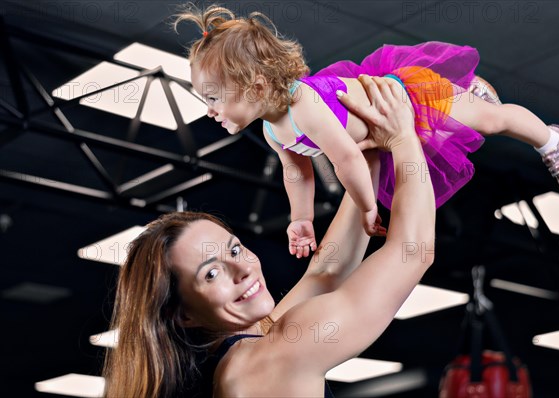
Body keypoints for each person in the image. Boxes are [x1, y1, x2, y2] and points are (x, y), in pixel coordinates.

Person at [102, 74, 435, 397]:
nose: (243, 269)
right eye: (212, 273)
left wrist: (368, 155)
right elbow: (413, 251)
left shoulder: (243, 356)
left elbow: (326, 274)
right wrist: (402, 138)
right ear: (184, 315)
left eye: (234, 250)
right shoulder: (272, 358)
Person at [175, 5, 559, 259]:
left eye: (214, 97)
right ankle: (468, 96)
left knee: (494, 122)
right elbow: (297, 173)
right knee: (445, 133)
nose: (209, 109)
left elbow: (348, 160)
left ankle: (552, 138)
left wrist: (367, 208)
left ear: (258, 87)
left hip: (410, 99)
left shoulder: (307, 107)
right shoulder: (272, 129)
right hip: (389, 126)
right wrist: (300, 219)